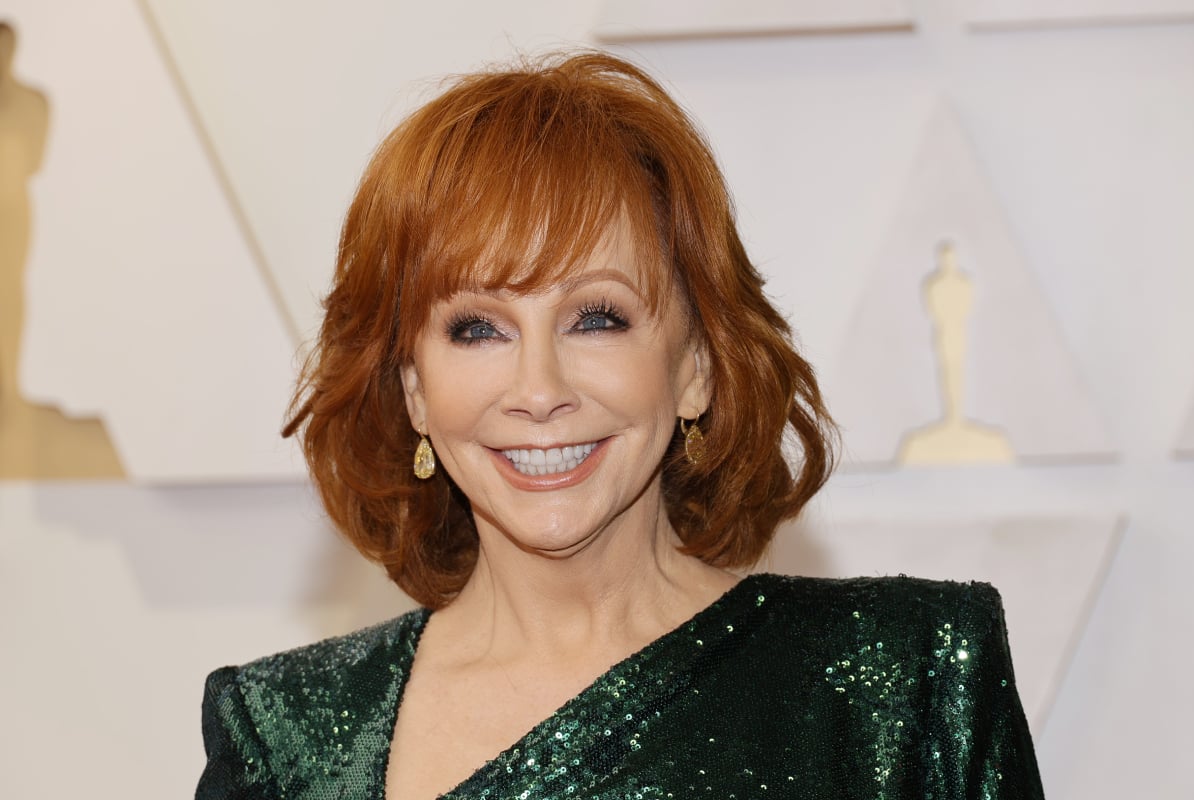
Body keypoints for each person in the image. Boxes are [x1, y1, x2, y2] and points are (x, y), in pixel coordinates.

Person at [196, 51, 1044, 800]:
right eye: (478, 327)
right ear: (414, 389)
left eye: (596, 317)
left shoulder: (908, 687)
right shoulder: (287, 739)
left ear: (696, 366)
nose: (538, 389)